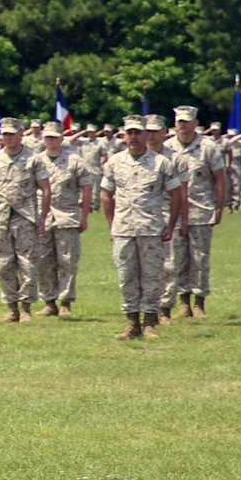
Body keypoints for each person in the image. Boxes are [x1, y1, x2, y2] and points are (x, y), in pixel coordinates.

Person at [101, 114, 185, 341]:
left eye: (138, 132)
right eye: (130, 133)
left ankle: (149, 322)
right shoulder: (114, 162)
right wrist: (112, 225)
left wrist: (170, 225)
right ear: (124, 136)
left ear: (147, 134)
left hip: (151, 229)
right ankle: (131, 322)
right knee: (126, 276)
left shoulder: (161, 163)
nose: (134, 137)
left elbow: (176, 194)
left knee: (152, 276)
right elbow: (107, 195)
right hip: (124, 230)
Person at [0, 117, 51, 322]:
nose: (8, 137)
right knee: (3, 263)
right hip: (1, 218)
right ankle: (11, 307)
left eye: (12, 133)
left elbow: (46, 190)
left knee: (28, 263)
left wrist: (41, 219)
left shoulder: (34, 158)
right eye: (5, 134)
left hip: (25, 218)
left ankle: (26, 309)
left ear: (22, 134)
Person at [161, 107, 223, 321]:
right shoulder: (166, 147)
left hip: (201, 210)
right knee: (175, 259)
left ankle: (199, 303)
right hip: (173, 212)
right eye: (179, 121)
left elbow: (219, 179)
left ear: (195, 122)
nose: (183, 124)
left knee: (200, 258)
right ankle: (183, 302)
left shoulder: (208, 147)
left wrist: (219, 207)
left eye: (187, 121)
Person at [36, 121, 93, 317]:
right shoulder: (35, 161)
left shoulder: (75, 161)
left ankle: (65, 302)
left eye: (54, 137)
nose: (50, 140)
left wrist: (84, 216)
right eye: (47, 137)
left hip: (67, 217)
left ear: (61, 138)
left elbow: (86, 188)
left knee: (68, 261)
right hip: (42, 218)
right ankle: (49, 301)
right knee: (43, 260)